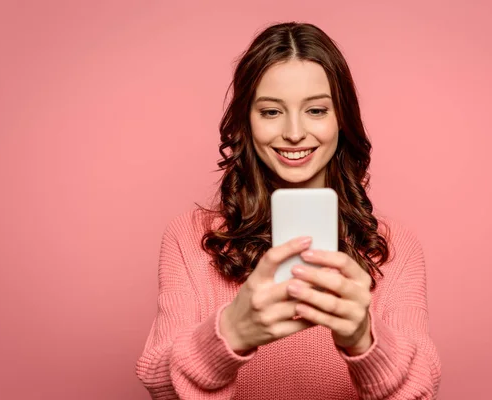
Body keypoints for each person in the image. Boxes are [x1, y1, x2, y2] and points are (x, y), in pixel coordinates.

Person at [135, 22, 441, 399]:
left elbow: (421, 390)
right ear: (247, 120)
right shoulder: (189, 238)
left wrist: (364, 340)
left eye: (315, 110)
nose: (294, 133)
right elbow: (161, 387)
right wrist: (231, 331)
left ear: (341, 119)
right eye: (271, 112)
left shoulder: (396, 247)